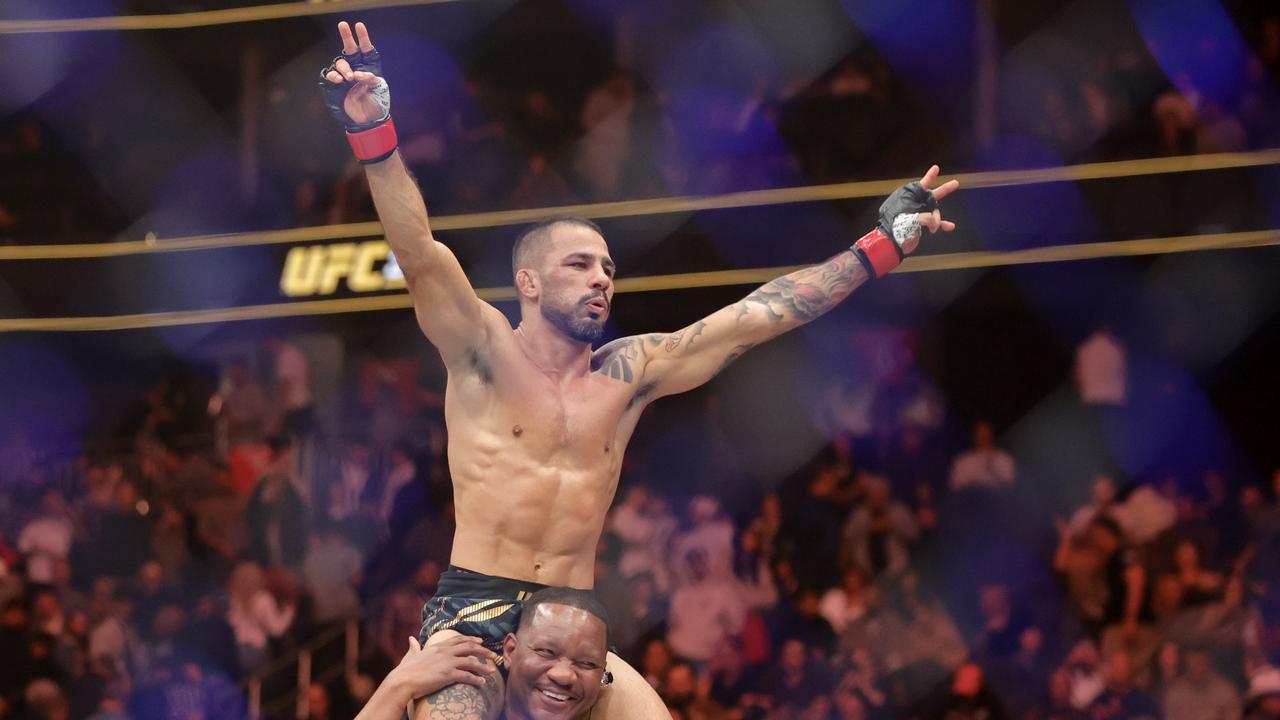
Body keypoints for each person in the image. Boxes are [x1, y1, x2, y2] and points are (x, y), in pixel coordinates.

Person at [320, 19, 958, 720]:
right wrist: (373, 135)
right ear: (528, 282)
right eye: (579, 265)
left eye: (608, 268)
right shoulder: (481, 349)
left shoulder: (629, 375)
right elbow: (418, 251)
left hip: (571, 623)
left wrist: (879, 246)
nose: (601, 280)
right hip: (476, 611)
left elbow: (763, 313)